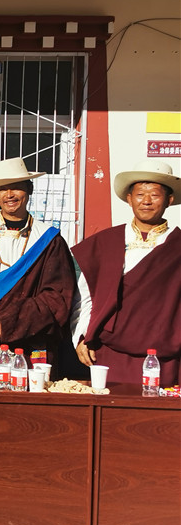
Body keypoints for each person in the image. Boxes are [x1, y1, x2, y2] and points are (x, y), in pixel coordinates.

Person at [0, 157, 77, 377]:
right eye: (2, 189)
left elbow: (58, 296)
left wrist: (14, 321)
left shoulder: (48, 239)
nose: (9, 195)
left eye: (16, 187)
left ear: (29, 189)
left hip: (34, 338)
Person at [70, 160, 181, 385]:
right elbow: (84, 297)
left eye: (155, 195)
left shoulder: (177, 247)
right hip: (109, 350)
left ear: (169, 200)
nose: (146, 201)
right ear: (129, 199)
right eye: (140, 194)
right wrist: (81, 336)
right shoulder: (106, 243)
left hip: (165, 354)